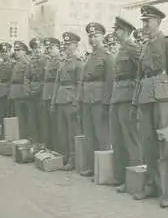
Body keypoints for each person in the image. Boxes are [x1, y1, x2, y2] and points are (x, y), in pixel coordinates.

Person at [131, 5, 168, 208]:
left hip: (163, 97)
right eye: (143, 21)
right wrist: (134, 102)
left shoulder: (167, 42)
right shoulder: (145, 46)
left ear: (158, 22)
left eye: (148, 21)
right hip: (146, 98)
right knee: (148, 144)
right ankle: (153, 185)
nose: (144, 25)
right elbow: (140, 76)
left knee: (167, 144)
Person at [109, 17, 143, 192]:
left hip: (128, 97)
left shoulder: (133, 49)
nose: (115, 32)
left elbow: (140, 74)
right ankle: (120, 176)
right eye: (115, 29)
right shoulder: (121, 49)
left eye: (119, 30)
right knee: (117, 139)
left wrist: (135, 100)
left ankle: (134, 178)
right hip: (117, 96)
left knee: (130, 139)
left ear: (127, 32)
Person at [78, 22, 114, 178]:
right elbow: (83, 81)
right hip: (87, 100)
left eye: (96, 36)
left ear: (102, 37)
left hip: (100, 100)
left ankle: (104, 169)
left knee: (102, 135)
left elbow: (110, 81)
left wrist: (106, 103)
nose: (92, 39)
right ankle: (92, 167)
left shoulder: (107, 57)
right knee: (89, 134)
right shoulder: (88, 57)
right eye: (90, 36)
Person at [50, 32, 84, 170]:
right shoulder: (62, 63)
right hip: (60, 99)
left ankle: (73, 158)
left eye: (69, 45)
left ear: (75, 46)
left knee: (72, 131)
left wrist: (76, 102)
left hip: (71, 100)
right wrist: (53, 102)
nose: (66, 47)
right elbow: (57, 84)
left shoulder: (78, 63)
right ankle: (64, 155)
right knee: (62, 131)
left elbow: (80, 84)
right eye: (65, 44)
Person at [24, 37, 47, 144]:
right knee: (32, 120)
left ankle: (43, 143)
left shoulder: (47, 61)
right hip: (31, 95)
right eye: (35, 48)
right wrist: (27, 89)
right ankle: (34, 142)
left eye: (40, 47)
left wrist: (37, 89)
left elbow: (47, 79)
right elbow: (27, 77)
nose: (38, 50)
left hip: (42, 94)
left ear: (44, 48)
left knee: (42, 121)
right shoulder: (31, 62)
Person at [42, 37, 62, 151]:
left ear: (58, 48)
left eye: (51, 48)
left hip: (54, 95)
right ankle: (48, 146)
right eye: (48, 48)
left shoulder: (60, 61)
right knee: (47, 123)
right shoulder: (50, 61)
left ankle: (55, 147)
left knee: (54, 123)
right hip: (47, 93)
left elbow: (57, 80)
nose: (49, 50)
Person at [9, 41, 32, 139]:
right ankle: (21, 136)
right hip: (16, 92)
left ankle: (25, 137)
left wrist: (26, 91)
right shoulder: (17, 62)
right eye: (15, 50)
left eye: (19, 50)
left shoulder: (27, 62)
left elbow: (28, 78)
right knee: (19, 117)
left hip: (23, 93)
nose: (16, 52)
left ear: (25, 51)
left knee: (25, 117)